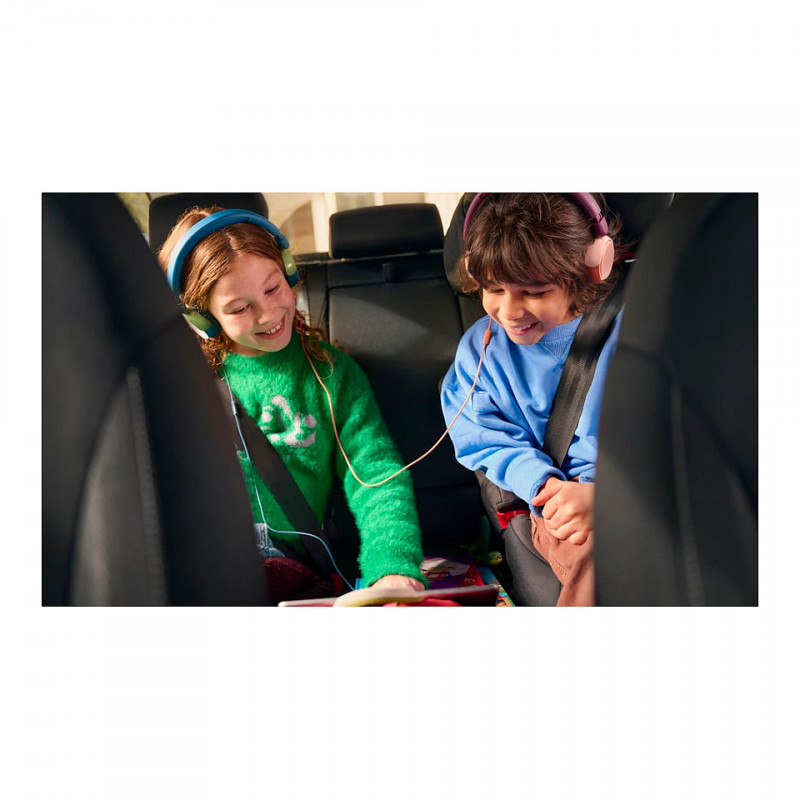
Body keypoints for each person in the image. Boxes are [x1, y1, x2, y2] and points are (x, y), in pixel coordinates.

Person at [158, 206, 426, 603]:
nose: (268, 314)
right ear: (202, 318)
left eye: (272, 289)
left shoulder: (330, 375)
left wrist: (391, 566)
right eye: (239, 308)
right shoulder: (180, 386)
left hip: (300, 579)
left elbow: (375, 476)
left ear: (288, 271)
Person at [440, 193, 626, 606]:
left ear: (589, 269)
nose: (509, 311)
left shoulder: (631, 331)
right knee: (601, 557)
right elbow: (482, 436)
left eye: (534, 292)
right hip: (557, 499)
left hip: (634, 487)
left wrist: (610, 495)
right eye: (493, 289)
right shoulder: (481, 352)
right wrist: (543, 485)